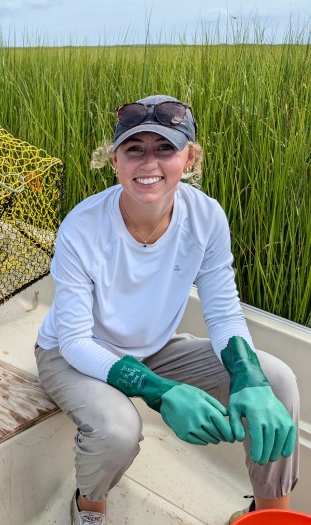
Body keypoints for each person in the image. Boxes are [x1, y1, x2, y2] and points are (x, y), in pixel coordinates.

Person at [34, 94, 299, 525]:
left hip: (155, 347)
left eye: (165, 149)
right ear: (114, 160)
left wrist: (248, 378)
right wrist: (162, 393)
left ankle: (269, 516)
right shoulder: (81, 228)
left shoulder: (207, 216)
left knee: (277, 382)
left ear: (189, 158)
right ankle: (89, 507)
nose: (149, 163)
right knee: (119, 431)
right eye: (134, 149)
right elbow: (76, 340)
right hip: (72, 356)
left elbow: (223, 312)